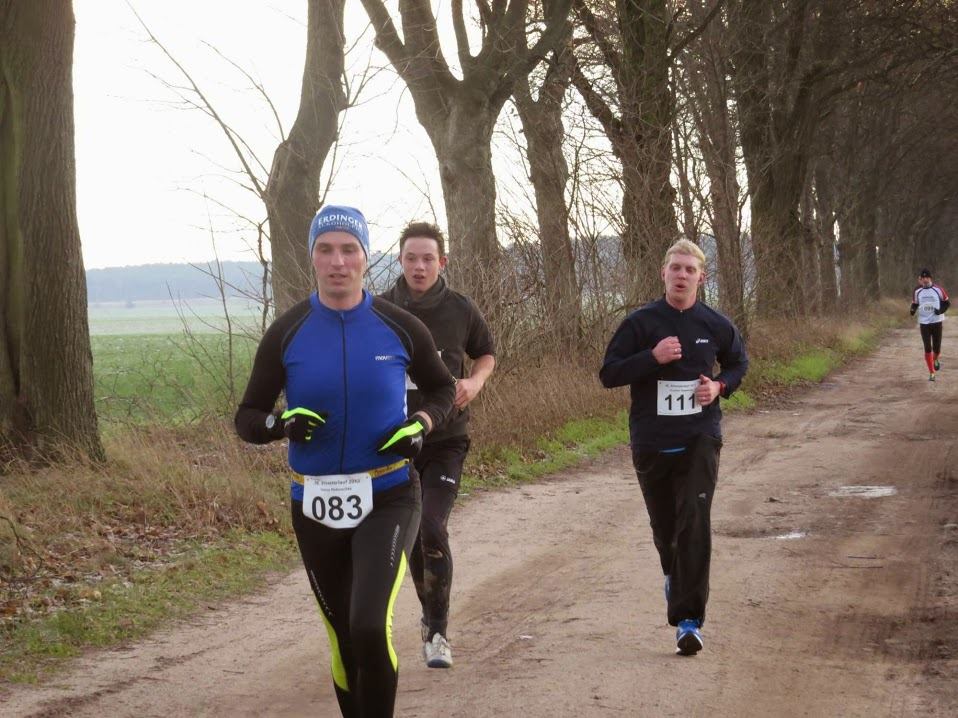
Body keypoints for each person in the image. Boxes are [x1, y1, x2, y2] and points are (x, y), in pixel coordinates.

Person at [235, 205, 455, 718]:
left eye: (349, 249)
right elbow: (247, 416)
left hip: (389, 495)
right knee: (342, 639)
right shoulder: (287, 332)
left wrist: (421, 424)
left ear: (365, 257)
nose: (338, 262)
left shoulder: (399, 327)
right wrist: (278, 426)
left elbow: (444, 389)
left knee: (368, 626)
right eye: (326, 249)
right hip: (313, 503)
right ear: (312, 257)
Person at [598, 239, 748, 656]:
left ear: (702, 276)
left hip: (700, 437)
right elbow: (608, 374)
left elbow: (739, 364)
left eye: (690, 269)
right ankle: (674, 576)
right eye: (675, 268)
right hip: (651, 441)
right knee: (668, 533)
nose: (682, 275)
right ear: (663, 273)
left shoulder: (715, 324)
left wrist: (720, 386)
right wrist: (652, 357)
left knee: (694, 520)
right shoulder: (641, 323)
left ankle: (688, 621)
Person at [379, 221, 496, 669]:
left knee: (431, 525)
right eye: (411, 258)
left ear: (441, 262)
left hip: (447, 437)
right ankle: (430, 618)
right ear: (401, 261)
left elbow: (486, 351)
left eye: (428, 258)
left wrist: (475, 381)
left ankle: (439, 632)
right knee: (411, 535)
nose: (420, 266)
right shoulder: (380, 309)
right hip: (394, 441)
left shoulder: (460, 308)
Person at [910, 268, 950, 381]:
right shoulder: (917, 291)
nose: (925, 280)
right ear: (921, 279)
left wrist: (940, 310)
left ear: (930, 278)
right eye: (923, 278)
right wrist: (912, 310)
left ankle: (935, 358)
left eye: (927, 278)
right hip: (924, 323)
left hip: (937, 322)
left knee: (936, 348)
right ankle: (932, 373)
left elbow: (947, 303)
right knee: (927, 347)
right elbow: (915, 304)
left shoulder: (938, 289)